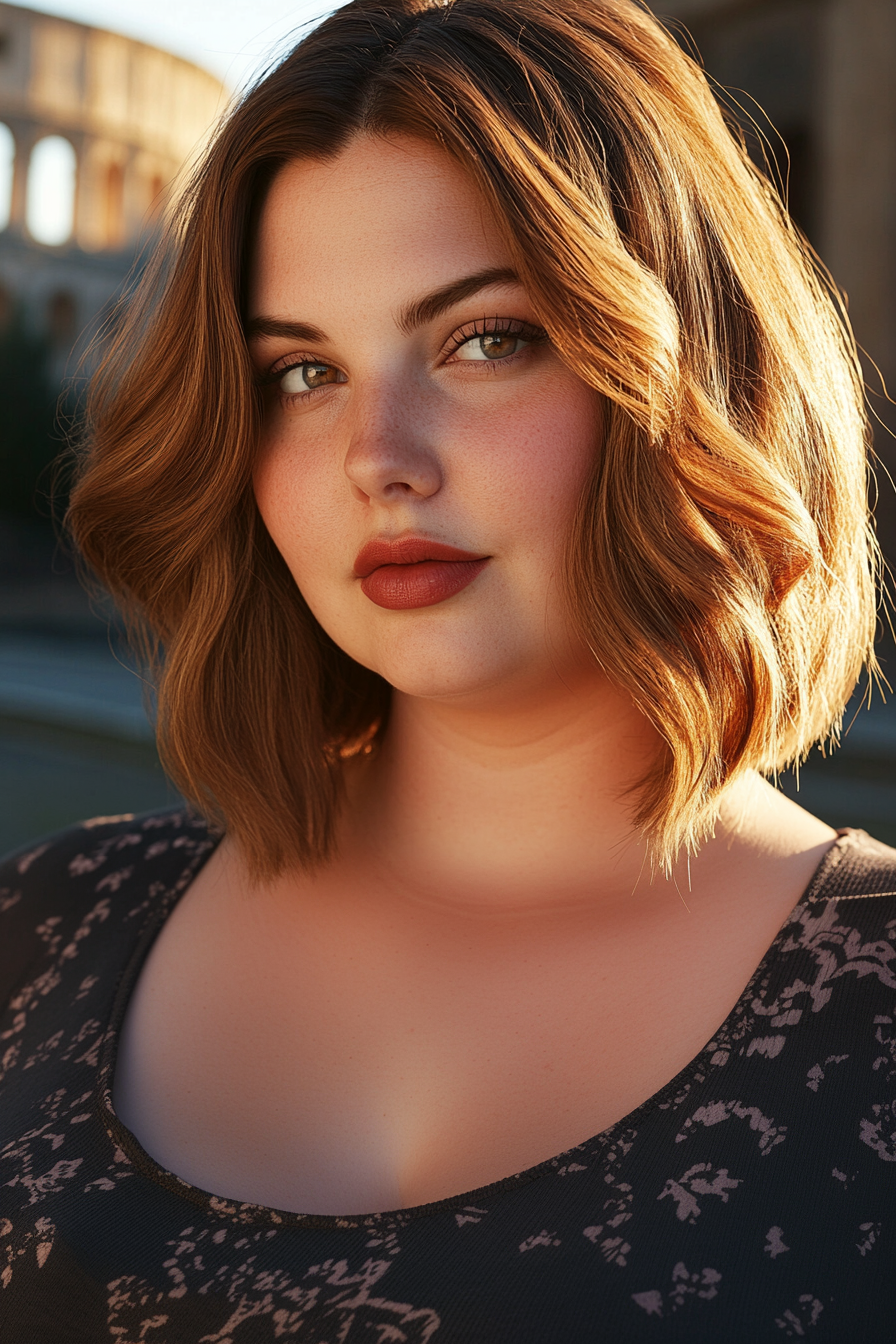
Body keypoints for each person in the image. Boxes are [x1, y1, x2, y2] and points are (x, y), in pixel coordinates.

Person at [2, 0, 894, 1338]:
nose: (380, 454)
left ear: (693, 372)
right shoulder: (49, 930)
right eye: (303, 371)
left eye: (486, 339)